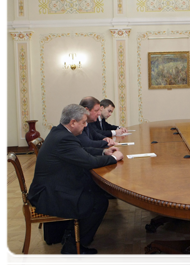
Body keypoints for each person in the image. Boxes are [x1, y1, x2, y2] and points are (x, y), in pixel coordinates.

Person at [27, 104, 124, 258]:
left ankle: (72, 234)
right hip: (49, 194)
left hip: (53, 184)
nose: (86, 126)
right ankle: (73, 245)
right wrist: (113, 158)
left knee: (95, 189)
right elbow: (89, 162)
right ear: (73, 122)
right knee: (99, 202)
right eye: (83, 123)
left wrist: (103, 151)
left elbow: (81, 151)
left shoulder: (59, 132)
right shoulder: (64, 138)